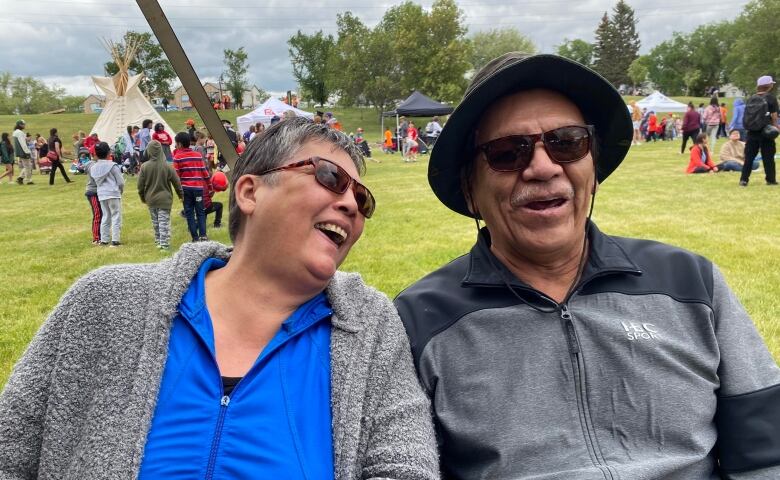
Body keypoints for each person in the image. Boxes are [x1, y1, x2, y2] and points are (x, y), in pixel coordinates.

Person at [394, 53, 780, 479]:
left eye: (567, 142)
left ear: (592, 169)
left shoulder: (692, 284)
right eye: (507, 152)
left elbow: (766, 455)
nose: (543, 167)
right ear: (470, 191)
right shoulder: (417, 322)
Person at [0, 116, 438, 479]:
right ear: (249, 192)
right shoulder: (107, 303)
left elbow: (406, 468)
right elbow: (11, 449)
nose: (350, 205)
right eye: (330, 177)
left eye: (362, 199)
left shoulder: (372, 328)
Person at [138, 140, 183, 251]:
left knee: (155, 222)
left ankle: (158, 240)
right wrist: (181, 195)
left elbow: (140, 186)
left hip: (150, 199)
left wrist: (143, 197)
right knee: (164, 222)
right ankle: (164, 244)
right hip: (165, 199)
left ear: (148, 151)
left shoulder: (144, 167)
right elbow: (177, 183)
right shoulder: (167, 166)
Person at [740, 75, 778, 186]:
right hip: (766, 131)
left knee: (749, 157)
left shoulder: (751, 98)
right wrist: (775, 126)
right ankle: (770, 180)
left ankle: (744, 180)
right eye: (771, 83)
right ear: (768, 85)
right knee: (768, 157)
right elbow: (774, 115)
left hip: (752, 131)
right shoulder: (771, 98)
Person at [173, 131, 211, 242]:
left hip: (186, 190)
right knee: (200, 212)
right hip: (199, 189)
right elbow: (205, 173)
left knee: (189, 213)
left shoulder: (177, 157)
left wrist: (179, 192)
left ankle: (195, 238)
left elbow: (176, 177)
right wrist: (210, 188)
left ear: (179, 144)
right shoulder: (198, 156)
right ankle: (203, 235)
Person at [89, 142, 124, 246]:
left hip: (101, 194)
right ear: (109, 152)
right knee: (116, 216)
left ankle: (104, 239)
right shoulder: (113, 166)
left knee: (105, 216)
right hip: (113, 193)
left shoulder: (93, 167)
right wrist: (120, 191)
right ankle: (115, 240)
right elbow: (120, 181)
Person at [82, 150, 102, 245]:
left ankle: (102, 235)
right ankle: (96, 238)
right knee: (97, 214)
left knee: (103, 213)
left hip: (101, 192)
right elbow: (92, 169)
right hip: (93, 192)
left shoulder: (100, 163)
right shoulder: (91, 164)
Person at [12, 120, 33, 185]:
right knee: (28, 166)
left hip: (20, 152)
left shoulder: (16, 132)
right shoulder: (19, 132)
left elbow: (23, 140)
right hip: (23, 151)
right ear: (20, 125)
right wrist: (27, 151)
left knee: (27, 166)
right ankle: (28, 180)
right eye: (23, 124)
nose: (24, 125)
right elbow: (22, 143)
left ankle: (20, 178)